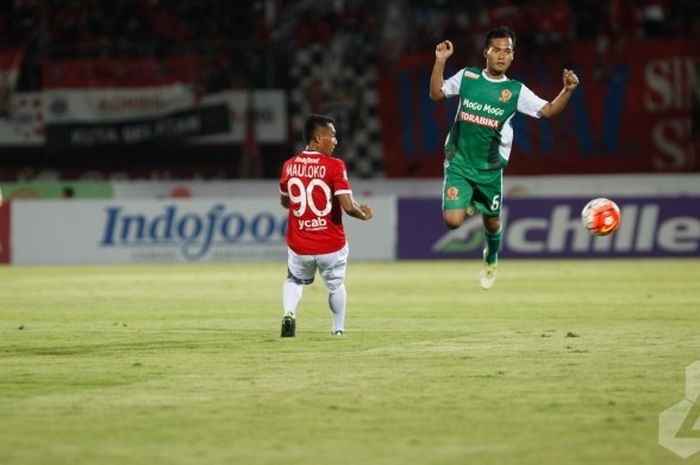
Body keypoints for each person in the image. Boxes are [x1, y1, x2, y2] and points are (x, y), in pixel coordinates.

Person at [429, 26, 579, 290]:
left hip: (489, 169)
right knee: (452, 223)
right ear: (485, 52)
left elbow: (549, 111)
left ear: (512, 57)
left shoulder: (515, 91)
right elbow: (436, 94)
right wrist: (440, 61)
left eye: (507, 51)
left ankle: (492, 256)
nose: (501, 55)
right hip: (459, 163)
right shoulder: (468, 77)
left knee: (492, 221)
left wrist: (567, 90)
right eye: (496, 50)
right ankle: (471, 199)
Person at [278, 114, 373, 337]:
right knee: (335, 286)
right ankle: (338, 329)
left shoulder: (289, 165)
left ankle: (289, 313)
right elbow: (348, 206)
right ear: (318, 138)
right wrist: (363, 215)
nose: (336, 141)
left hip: (300, 244)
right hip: (331, 244)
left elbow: (285, 201)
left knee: (293, 279)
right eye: (332, 136)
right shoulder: (334, 165)